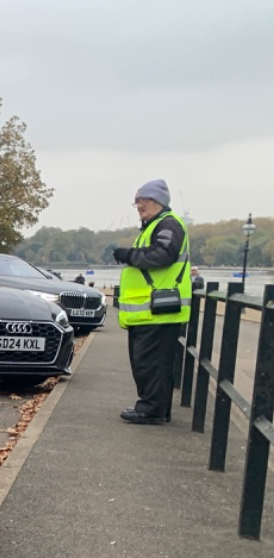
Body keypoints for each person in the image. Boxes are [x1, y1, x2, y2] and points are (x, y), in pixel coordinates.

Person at [111, 179, 190, 425]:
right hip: (154, 309)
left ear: (159, 202)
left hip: (157, 309)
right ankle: (155, 407)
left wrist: (128, 255)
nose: (139, 206)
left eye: (144, 201)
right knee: (152, 362)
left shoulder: (167, 224)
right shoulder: (157, 225)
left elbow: (163, 255)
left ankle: (151, 410)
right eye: (137, 201)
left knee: (150, 363)